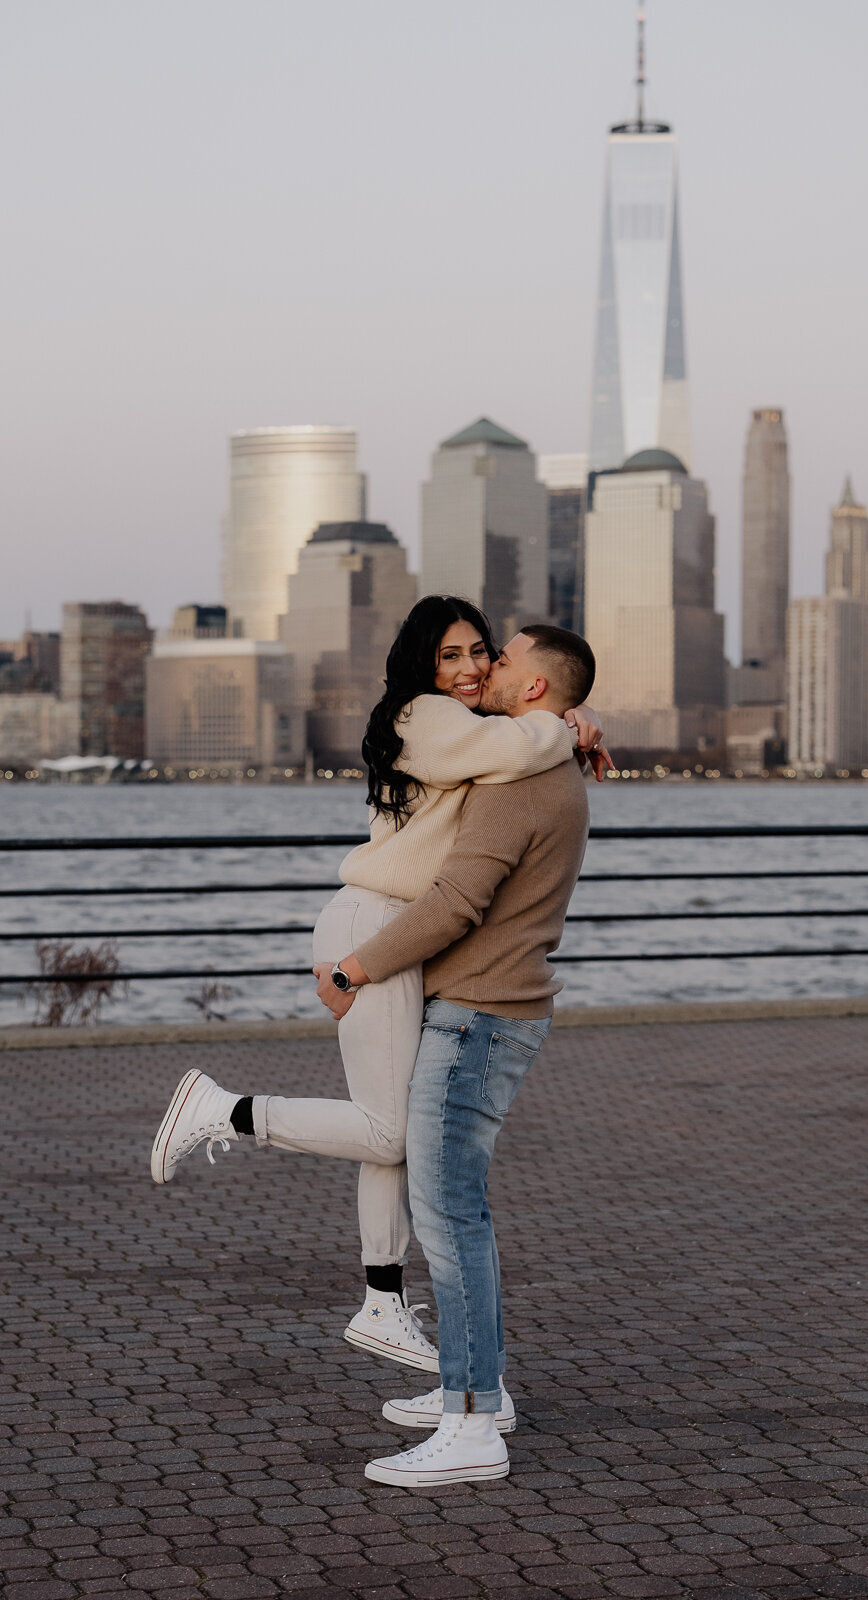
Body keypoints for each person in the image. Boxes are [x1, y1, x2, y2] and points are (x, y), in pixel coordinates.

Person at [150, 597, 607, 1375]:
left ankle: (382, 1300)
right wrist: (564, 725)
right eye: (451, 656)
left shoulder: (479, 729)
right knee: (391, 1130)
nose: (469, 669)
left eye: (480, 653)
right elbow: (514, 747)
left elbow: (516, 741)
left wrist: (571, 724)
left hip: (396, 931)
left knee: (387, 1131)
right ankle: (222, 1110)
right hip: (374, 928)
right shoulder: (422, 716)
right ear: (423, 667)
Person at [313, 624, 596, 1486]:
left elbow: (456, 903)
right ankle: (479, 1392)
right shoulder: (540, 763)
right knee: (458, 1212)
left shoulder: (519, 784)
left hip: (475, 1019)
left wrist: (354, 967)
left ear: (536, 690)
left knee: (451, 1219)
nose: (484, 671)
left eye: (501, 659)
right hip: (496, 1012)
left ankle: (471, 1426)